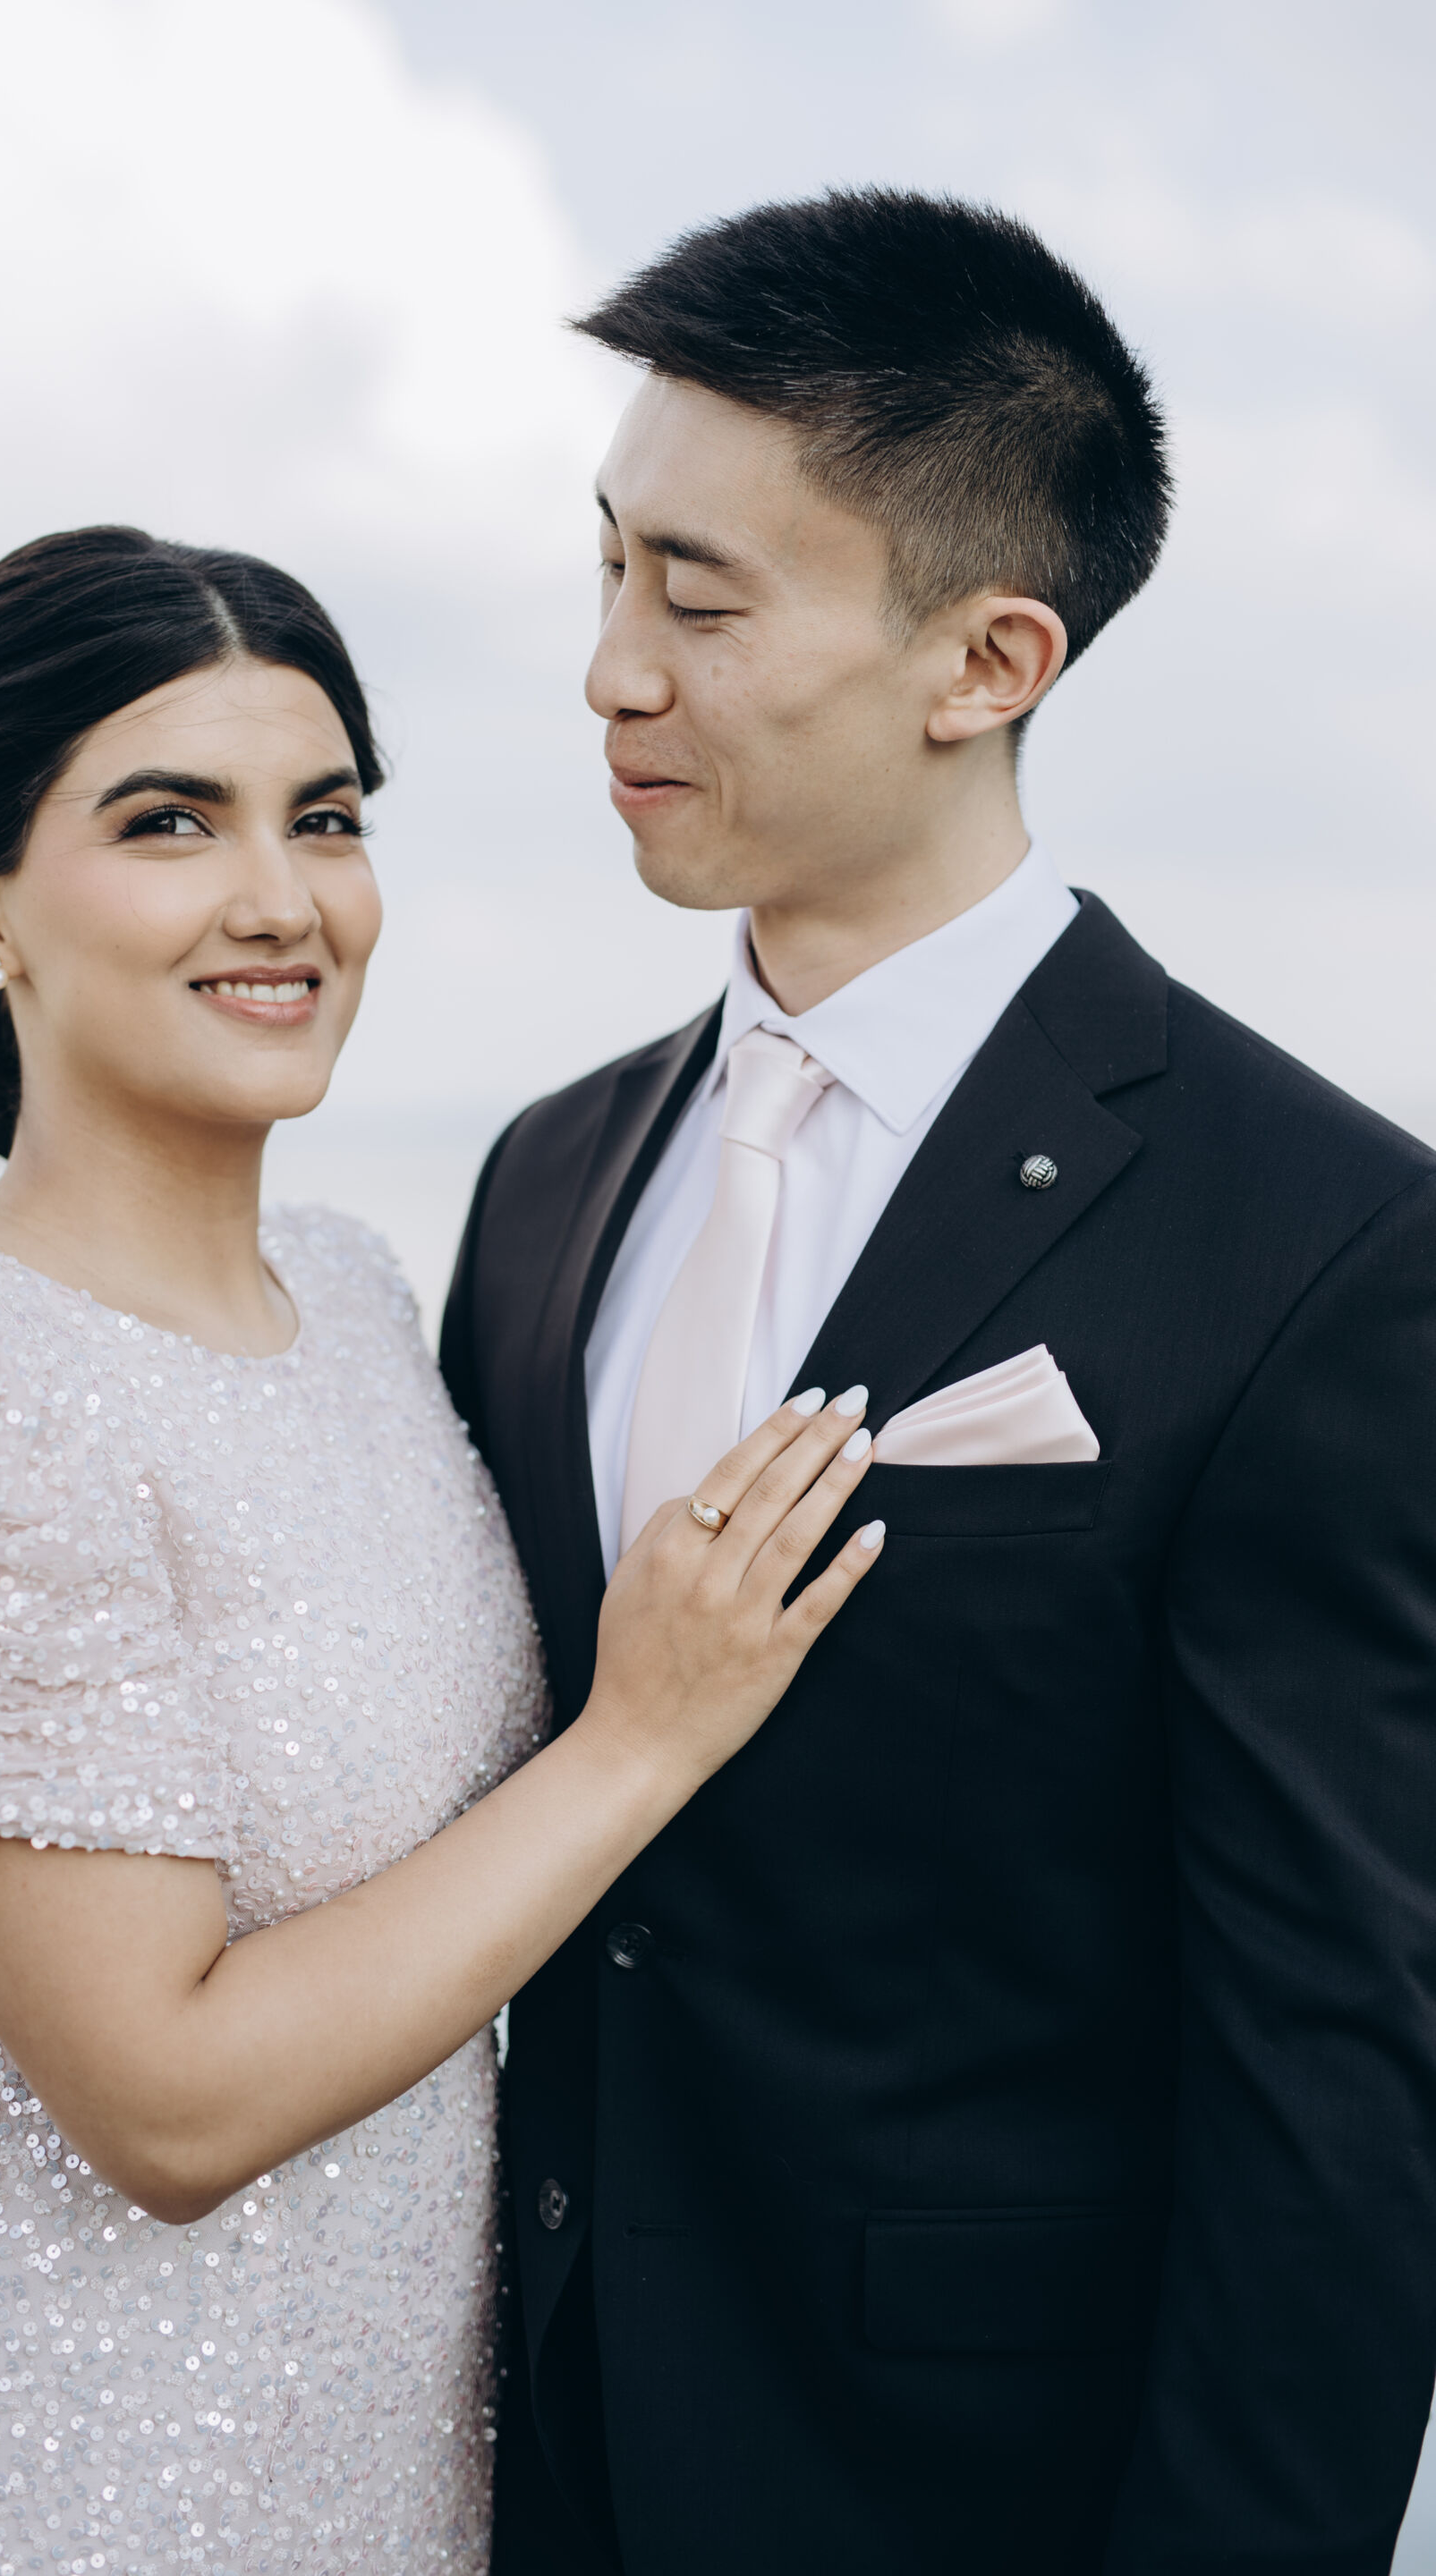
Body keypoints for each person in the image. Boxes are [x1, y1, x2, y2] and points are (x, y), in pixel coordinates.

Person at [0, 524, 887, 2573]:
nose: (282, 899)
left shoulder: (350, 1294)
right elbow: (163, 2102)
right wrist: (643, 1735)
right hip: (57, 2470)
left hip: (381, 2452)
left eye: (324, 818)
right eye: (168, 821)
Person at [439, 190, 1436, 2572]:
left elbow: (1337, 2086)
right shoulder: (545, 1176)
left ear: (988, 659)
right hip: (508, 2468)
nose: (607, 672)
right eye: (605, 570)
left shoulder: (1325, 1240)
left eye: (699, 603)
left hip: (974, 2499)